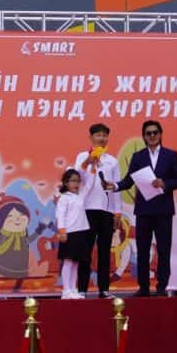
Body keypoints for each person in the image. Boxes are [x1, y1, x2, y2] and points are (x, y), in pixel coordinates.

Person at [106, 120, 177, 296]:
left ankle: (162, 287)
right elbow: (128, 180)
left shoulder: (171, 155)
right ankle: (143, 288)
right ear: (144, 136)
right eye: (148, 133)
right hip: (143, 211)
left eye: (155, 132)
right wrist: (116, 186)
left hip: (163, 211)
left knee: (163, 250)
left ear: (161, 134)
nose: (152, 136)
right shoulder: (138, 156)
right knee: (142, 251)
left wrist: (164, 183)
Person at [74, 122, 122, 298]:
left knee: (104, 251)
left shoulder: (112, 161)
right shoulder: (81, 157)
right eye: (98, 135)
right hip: (86, 210)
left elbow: (116, 188)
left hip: (106, 211)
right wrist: (89, 160)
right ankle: (82, 289)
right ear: (91, 137)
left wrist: (118, 212)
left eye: (104, 135)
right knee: (85, 251)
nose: (101, 138)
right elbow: (76, 176)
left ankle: (104, 289)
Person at [55, 168, 90, 299]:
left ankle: (73, 289)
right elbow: (60, 215)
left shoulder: (80, 196)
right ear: (65, 183)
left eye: (78, 181)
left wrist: (92, 167)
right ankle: (66, 290)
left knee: (76, 262)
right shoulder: (64, 198)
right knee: (68, 261)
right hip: (69, 233)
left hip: (81, 232)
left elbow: (90, 184)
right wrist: (62, 231)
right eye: (73, 181)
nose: (76, 184)